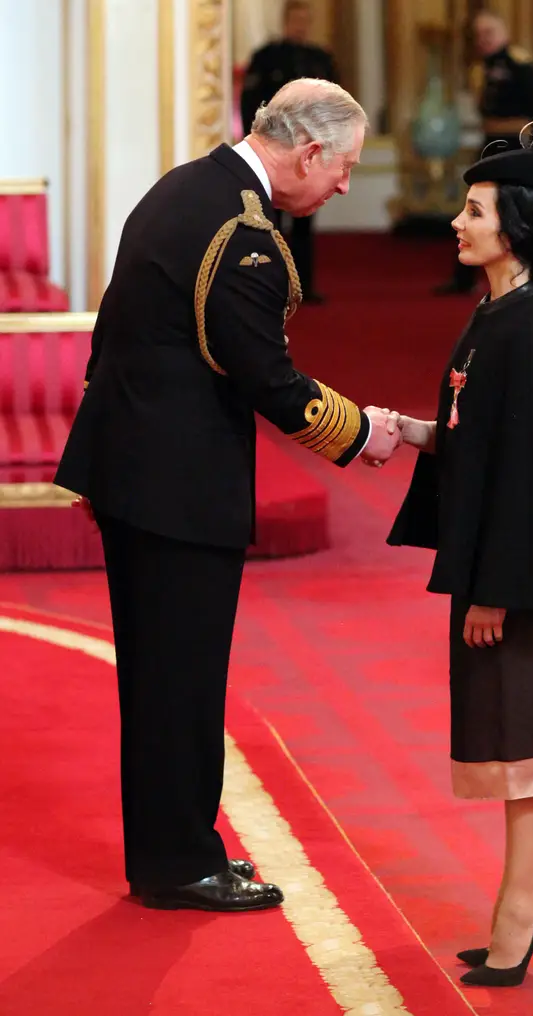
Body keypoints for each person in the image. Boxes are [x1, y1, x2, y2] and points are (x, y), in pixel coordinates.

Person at [55, 78, 401, 913]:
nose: (345, 185)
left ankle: (171, 852)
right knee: (181, 679)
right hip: (178, 486)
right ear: (308, 151)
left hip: (137, 467)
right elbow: (266, 377)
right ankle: (179, 865)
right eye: (344, 168)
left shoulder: (188, 185)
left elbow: (117, 326)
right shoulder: (241, 227)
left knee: (156, 677)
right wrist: (359, 433)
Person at [388, 108, 533, 986]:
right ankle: (524, 907)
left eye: (475, 210)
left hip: (518, 581)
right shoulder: (498, 316)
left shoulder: (531, 331)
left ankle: (520, 915)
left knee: (529, 749)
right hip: (496, 571)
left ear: (515, 226)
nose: (457, 221)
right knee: (506, 744)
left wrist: (494, 592)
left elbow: (530, 480)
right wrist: (400, 430)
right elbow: (474, 433)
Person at [434, 10, 533, 296]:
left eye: (489, 33)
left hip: (516, 144)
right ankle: (463, 277)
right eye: (479, 35)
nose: (483, 40)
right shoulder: (479, 67)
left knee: (519, 211)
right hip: (489, 143)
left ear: (504, 33)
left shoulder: (520, 64)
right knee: (473, 207)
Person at [241, 0, 338, 303]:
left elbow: (336, 105)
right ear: (285, 21)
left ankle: (304, 286)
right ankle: (271, 287)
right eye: (295, 20)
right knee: (271, 220)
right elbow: (250, 103)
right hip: (275, 149)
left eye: (304, 20)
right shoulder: (266, 58)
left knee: (305, 218)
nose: (300, 26)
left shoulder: (320, 60)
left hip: (310, 150)